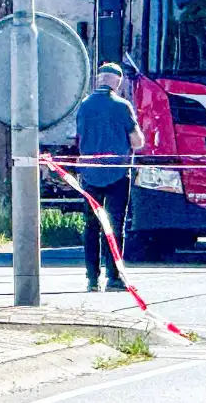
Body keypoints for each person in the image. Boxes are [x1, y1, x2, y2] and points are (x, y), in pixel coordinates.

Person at [75, 62, 145, 292]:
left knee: (91, 226)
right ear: (117, 81)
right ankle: (113, 278)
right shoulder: (122, 106)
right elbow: (137, 141)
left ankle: (91, 279)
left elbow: (78, 136)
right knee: (115, 225)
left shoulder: (84, 105)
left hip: (89, 174)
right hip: (117, 174)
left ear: (99, 80)